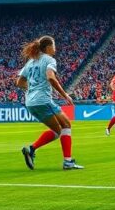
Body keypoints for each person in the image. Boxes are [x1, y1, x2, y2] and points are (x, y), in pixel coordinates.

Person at [16, 36, 83, 170]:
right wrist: (65, 95)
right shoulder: (49, 60)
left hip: (30, 102)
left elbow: (19, 83)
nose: (55, 48)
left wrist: (31, 89)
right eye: (54, 45)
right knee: (65, 126)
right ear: (48, 47)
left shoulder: (31, 61)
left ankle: (33, 149)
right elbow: (51, 78)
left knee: (60, 128)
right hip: (43, 100)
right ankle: (66, 161)